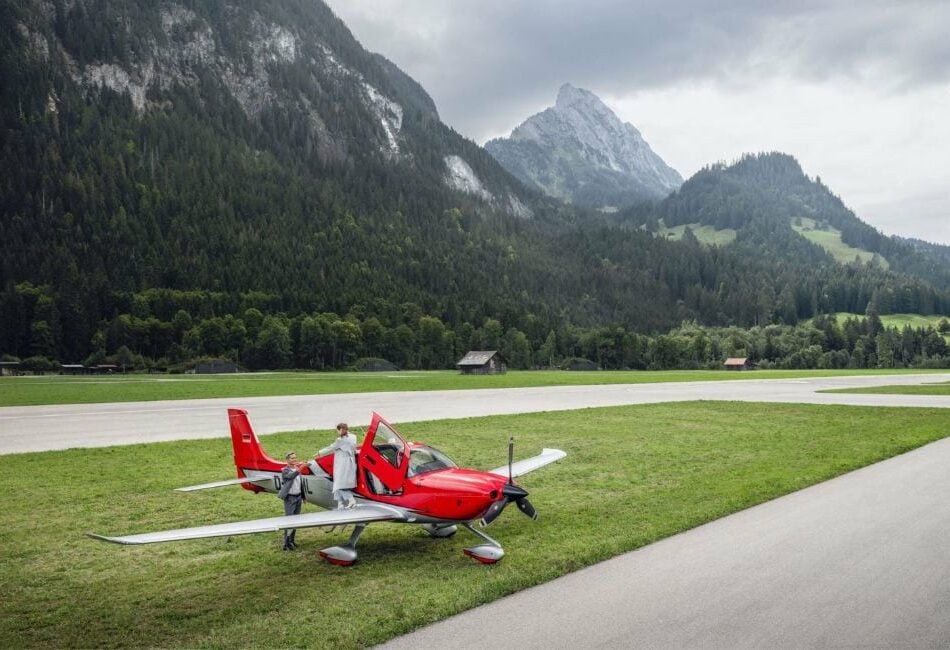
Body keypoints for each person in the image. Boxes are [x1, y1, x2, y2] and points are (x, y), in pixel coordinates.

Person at [319, 422, 358, 509]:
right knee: (338, 483)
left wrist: (319, 453)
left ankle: (351, 500)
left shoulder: (340, 440)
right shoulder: (353, 437)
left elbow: (331, 448)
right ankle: (340, 503)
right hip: (350, 462)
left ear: (340, 430)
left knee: (340, 484)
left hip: (343, 464)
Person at [278, 451, 304, 550]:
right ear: (288, 460)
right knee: (289, 521)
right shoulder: (285, 470)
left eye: (295, 457)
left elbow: (300, 484)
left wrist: (303, 496)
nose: (295, 459)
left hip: (298, 497)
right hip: (290, 498)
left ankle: (292, 541)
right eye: (292, 458)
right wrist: (301, 468)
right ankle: (286, 544)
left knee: (295, 521)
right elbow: (290, 476)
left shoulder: (296, 469)